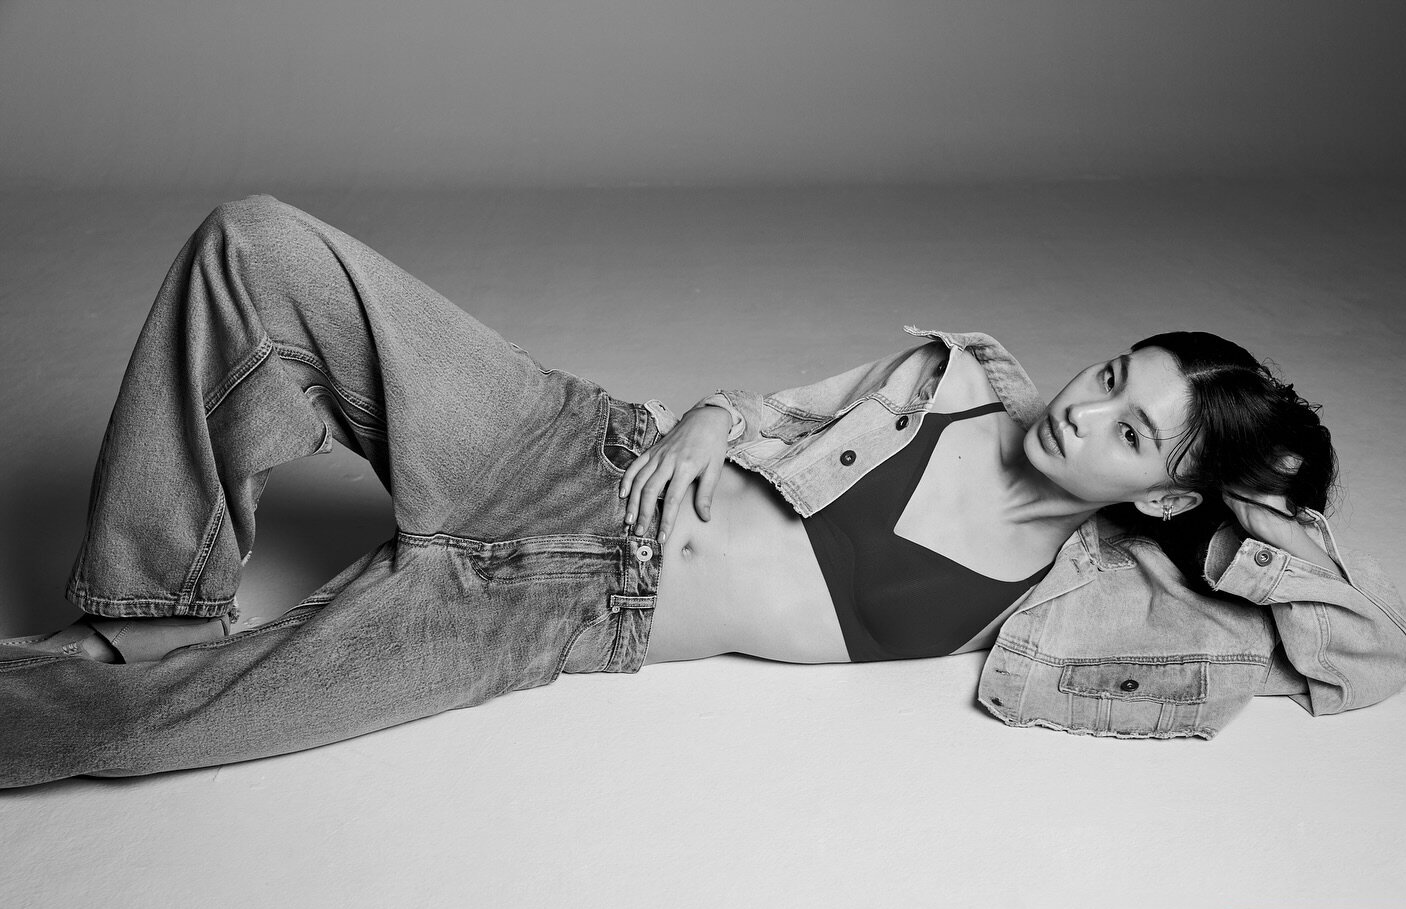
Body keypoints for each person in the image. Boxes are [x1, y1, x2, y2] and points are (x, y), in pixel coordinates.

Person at [2, 195, 1403, 788]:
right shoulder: (960, 378)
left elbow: (1363, 650)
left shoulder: (1093, 593)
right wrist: (703, 417)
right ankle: (149, 608)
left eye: (1132, 433)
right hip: (566, 452)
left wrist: (1268, 488)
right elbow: (766, 411)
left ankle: (131, 674)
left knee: (144, 736)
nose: (1086, 410)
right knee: (257, 244)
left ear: (1169, 497)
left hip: (545, 618)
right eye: (1111, 373)